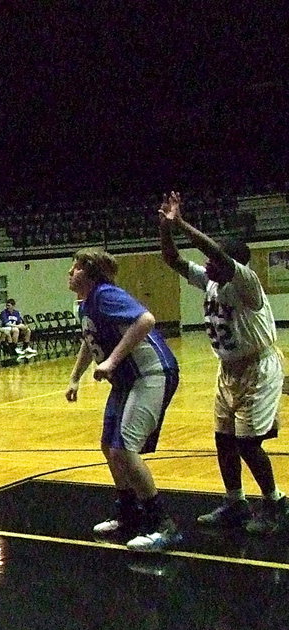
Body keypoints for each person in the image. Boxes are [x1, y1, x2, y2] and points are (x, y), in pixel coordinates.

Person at [159, 191, 286, 534]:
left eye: (213, 262)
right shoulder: (211, 281)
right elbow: (171, 259)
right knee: (223, 438)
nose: (207, 266)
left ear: (233, 264)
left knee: (248, 443)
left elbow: (217, 255)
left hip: (258, 367)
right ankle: (235, 503)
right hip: (228, 369)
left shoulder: (246, 282)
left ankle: (274, 503)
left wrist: (182, 223)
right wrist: (166, 227)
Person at [66, 248, 180, 552]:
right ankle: (128, 512)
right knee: (109, 446)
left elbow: (146, 320)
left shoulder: (106, 294)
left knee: (125, 448)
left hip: (150, 373)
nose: (70, 272)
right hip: (127, 380)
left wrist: (112, 361)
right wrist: (75, 377)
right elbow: (89, 340)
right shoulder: (86, 304)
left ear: (91, 273)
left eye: (76, 268)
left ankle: (163, 525)